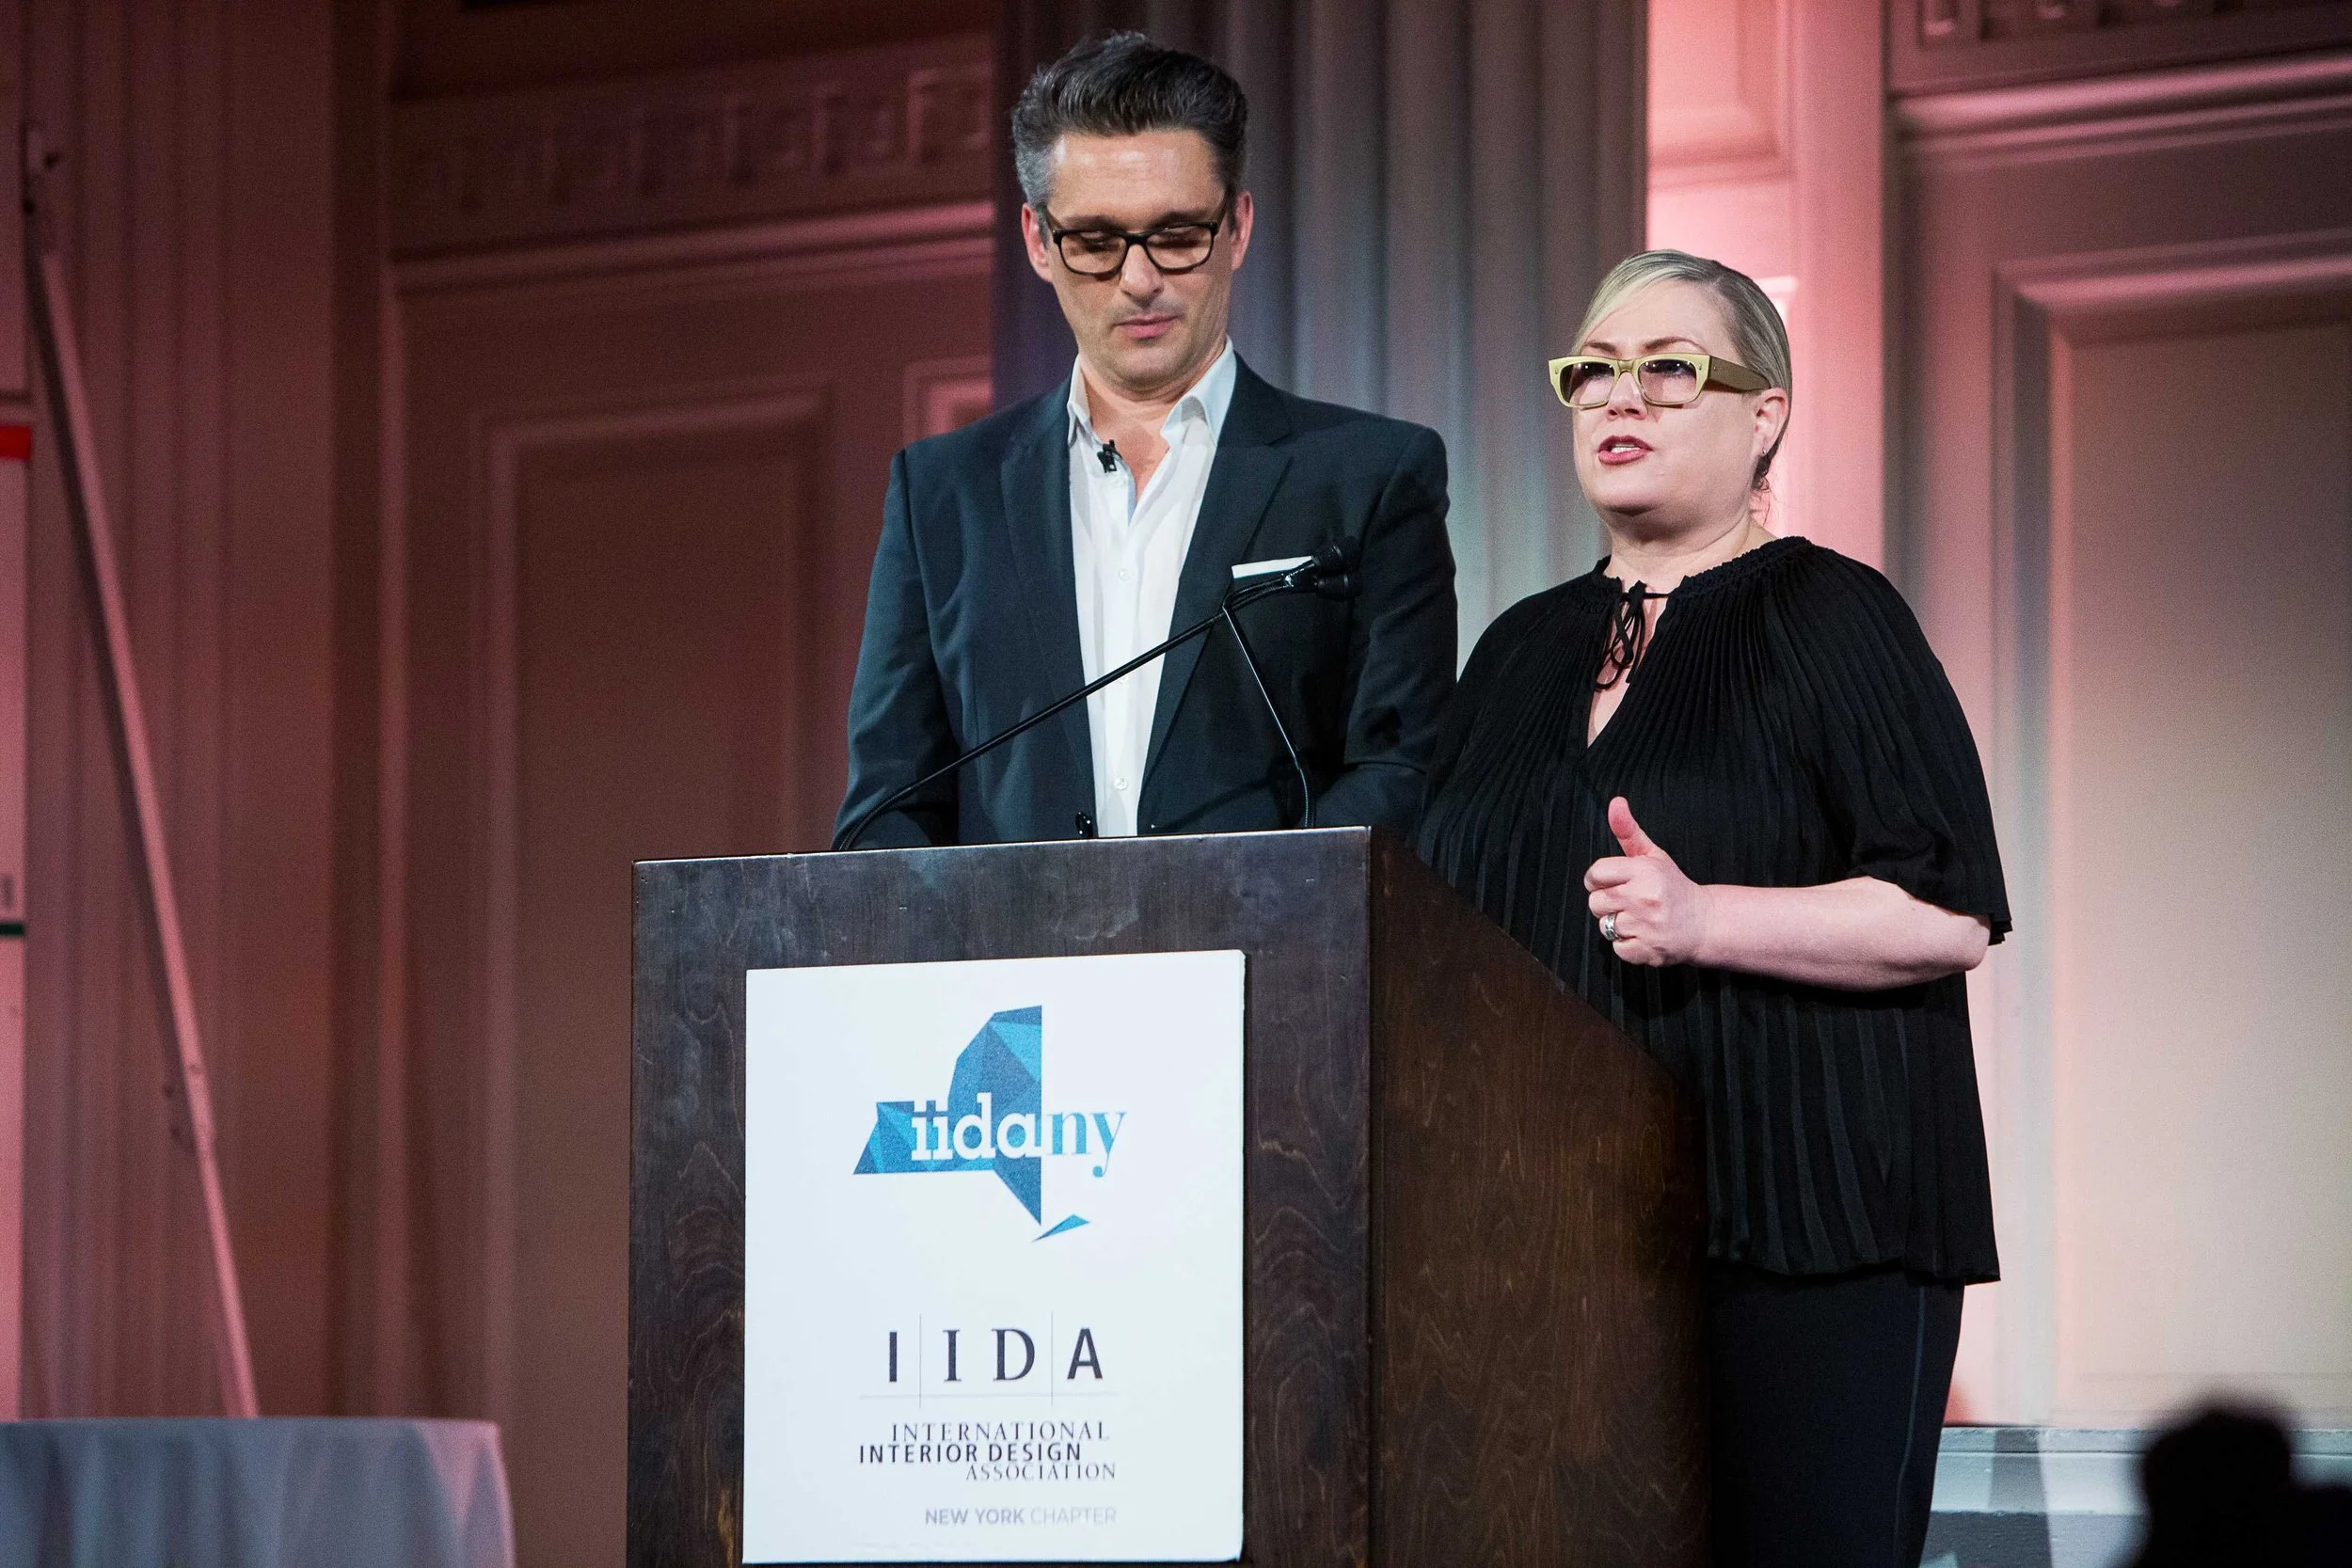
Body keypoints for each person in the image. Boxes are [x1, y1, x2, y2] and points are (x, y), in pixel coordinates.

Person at [1414, 249, 2010, 1568]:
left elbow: (1948, 910)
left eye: (1669, 370)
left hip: (1810, 1222)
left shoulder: (1834, 615)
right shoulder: (1515, 650)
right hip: (1551, 1234)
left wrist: (1706, 920)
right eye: (1593, 372)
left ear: (1765, 414)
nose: (1620, 397)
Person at [835, 32, 1456, 847]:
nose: (1139, 280)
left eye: (1177, 235)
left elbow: (1400, 774)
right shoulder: (942, 494)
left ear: (1237, 227)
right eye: (1096, 243)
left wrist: (1232, 906)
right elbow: (887, 808)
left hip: (1276, 931)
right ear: (1038, 241)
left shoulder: (1372, 477)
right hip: (1013, 936)